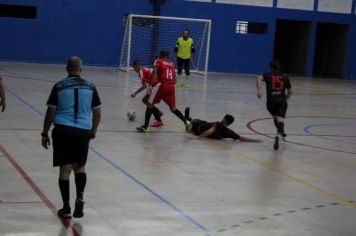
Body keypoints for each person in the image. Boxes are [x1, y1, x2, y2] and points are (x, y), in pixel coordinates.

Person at [41, 56, 102, 219]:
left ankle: (66, 207)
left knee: (65, 170)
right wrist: (94, 130)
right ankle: (80, 197)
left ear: (67, 69)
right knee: (80, 167)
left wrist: (44, 132)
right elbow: (97, 112)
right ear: (81, 69)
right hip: (82, 131)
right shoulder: (90, 87)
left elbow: (51, 111)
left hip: (63, 130)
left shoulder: (59, 86)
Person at [136, 50, 191, 133]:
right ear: (167, 56)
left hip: (161, 85)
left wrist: (150, 85)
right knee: (173, 108)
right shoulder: (171, 64)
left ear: (161, 55)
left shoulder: (158, 61)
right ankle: (186, 122)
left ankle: (146, 127)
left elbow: (154, 73)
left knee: (150, 104)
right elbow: (175, 80)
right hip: (171, 87)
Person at [256, 60, 292, 150]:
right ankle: (280, 133)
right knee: (280, 119)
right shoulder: (285, 76)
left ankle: (280, 132)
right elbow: (290, 91)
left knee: (276, 118)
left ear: (271, 68)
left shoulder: (267, 75)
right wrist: (288, 95)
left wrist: (259, 90)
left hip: (271, 102)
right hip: (282, 101)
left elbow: (259, 78)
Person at [185, 107, 261, 142]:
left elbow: (209, 131)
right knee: (193, 121)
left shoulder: (218, 125)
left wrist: (198, 137)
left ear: (224, 119)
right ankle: (188, 118)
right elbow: (241, 138)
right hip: (204, 124)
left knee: (189, 125)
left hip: (199, 127)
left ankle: (187, 118)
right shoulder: (229, 132)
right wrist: (255, 140)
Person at [131, 60, 164, 127]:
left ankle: (159, 119)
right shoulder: (143, 69)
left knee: (146, 101)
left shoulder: (141, 72)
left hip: (156, 85)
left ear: (137, 66)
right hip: (156, 84)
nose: (134, 69)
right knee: (146, 101)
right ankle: (158, 113)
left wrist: (135, 93)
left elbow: (144, 86)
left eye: (134, 68)